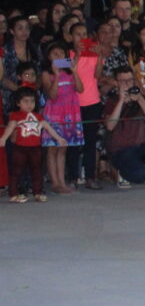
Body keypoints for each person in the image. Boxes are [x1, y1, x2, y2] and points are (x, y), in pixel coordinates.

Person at [103, 64, 145, 188]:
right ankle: (122, 173)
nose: (127, 84)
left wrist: (140, 99)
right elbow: (110, 126)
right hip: (119, 151)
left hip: (138, 148)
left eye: (129, 80)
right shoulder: (111, 101)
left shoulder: (141, 98)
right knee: (140, 175)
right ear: (116, 82)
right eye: (123, 81)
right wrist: (121, 101)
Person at [1, 87, 66, 201]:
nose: (29, 104)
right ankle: (14, 194)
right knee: (16, 171)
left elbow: (48, 128)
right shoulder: (15, 116)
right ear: (18, 103)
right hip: (19, 148)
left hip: (35, 148)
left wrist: (58, 138)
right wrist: (3, 138)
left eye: (32, 101)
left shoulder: (38, 116)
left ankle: (37, 192)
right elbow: (10, 128)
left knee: (37, 171)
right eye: (25, 101)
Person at [40, 42, 83, 195]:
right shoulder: (47, 73)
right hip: (55, 113)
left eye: (61, 53)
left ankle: (62, 182)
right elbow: (52, 95)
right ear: (48, 57)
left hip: (70, 112)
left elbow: (80, 89)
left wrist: (75, 71)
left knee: (63, 148)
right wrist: (56, 75)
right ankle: (55, 182)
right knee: (52, 148)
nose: (58, 56)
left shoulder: (70, 72)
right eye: (54, 54)